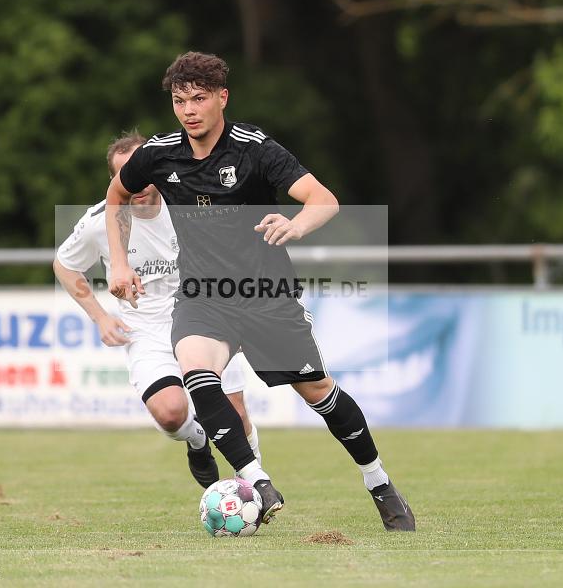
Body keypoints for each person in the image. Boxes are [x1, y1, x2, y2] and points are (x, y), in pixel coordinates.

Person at [104, 53, 415, 531]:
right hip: (203, 296)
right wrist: (120, 261)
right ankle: (257, 482)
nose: (189, 109)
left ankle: (379, 483)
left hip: (266, 294)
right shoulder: (160, 153)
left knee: (318, 393)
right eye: (179, 100)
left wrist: (295, 224)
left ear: (222, 98)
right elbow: (116, 196)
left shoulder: (254, 148)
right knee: (197, 374)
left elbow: (323, 200)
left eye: (199, 98)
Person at [54, 131, 261, 489]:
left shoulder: (191, 202)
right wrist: (100, 316)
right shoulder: (99, 222)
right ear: (115, 181)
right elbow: (64, 265)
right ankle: (197, 440)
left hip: (206, 319)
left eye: (143, 172)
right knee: (169, 413)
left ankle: (255, 489)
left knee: (236, 414)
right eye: (126, 176)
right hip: (146, 332)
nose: (138, 184)